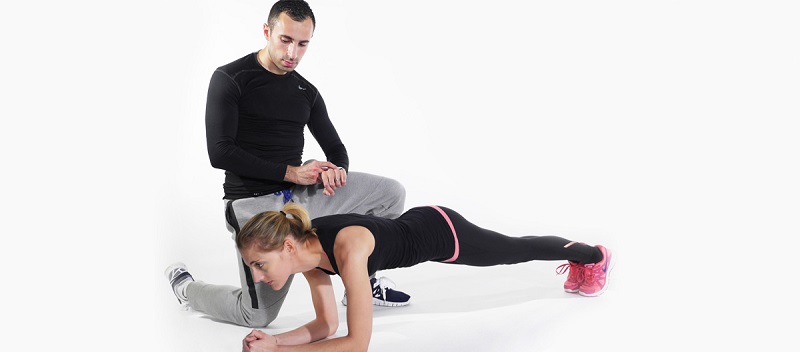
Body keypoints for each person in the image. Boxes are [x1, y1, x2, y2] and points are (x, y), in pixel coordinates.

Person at [164, 0, 409, 329]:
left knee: (390, 194)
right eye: (285, 40)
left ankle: (363, 283)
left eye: (303, 43)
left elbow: (336, 147)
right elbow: (220, 152)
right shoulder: (231, 78)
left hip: (300, 197)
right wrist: (292, 172)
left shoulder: (305, 92)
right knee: (259, 315)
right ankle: (186, 288)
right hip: (255, 206)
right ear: (267, 31)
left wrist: (338, 169)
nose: (293, 52)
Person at [236, 203, 614, 352]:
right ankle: (588, 257)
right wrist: (275, 340)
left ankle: (593, 256)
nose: (255, 276)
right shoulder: (307, 255)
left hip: (440, 233)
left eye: (259, 264)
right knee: (513, 249)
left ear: (286, 247)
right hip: (415, 223)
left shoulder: (347, 250)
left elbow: (356, 344)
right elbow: (325, 324)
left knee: (513, 250)